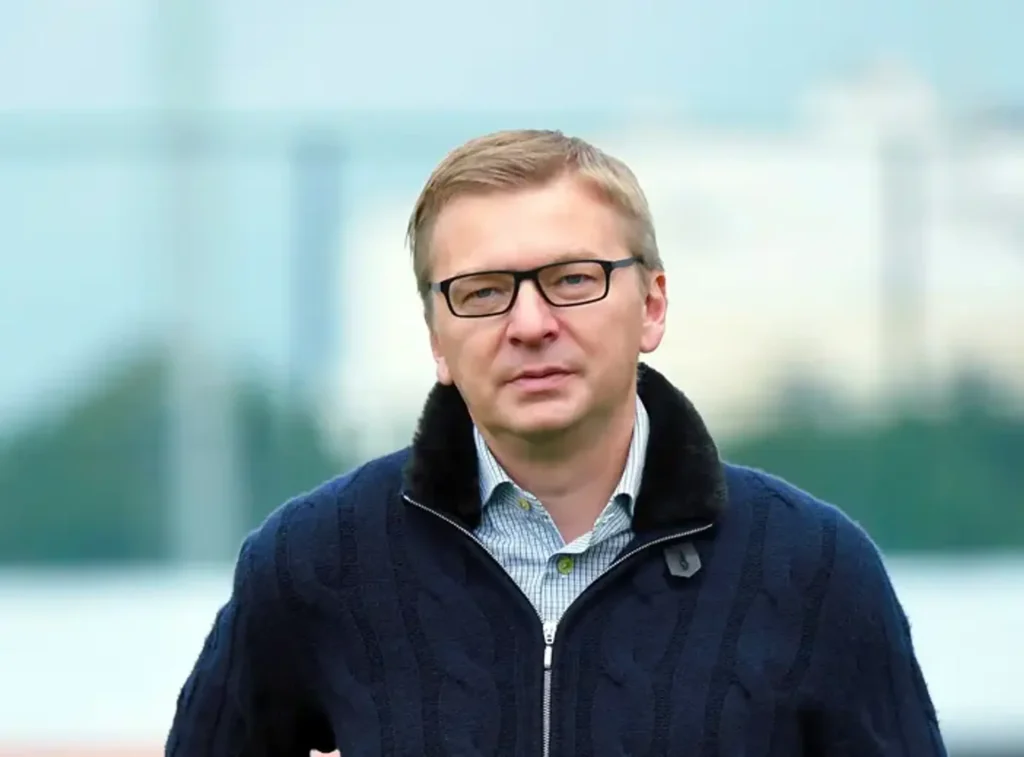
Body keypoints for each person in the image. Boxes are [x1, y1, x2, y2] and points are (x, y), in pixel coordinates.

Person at [166, 129, 947, 756]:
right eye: (482, 291)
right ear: (437, 338)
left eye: (573, 279)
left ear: (652, 306)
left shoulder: (813, 568)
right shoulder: (314, 559)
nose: (531, 324)